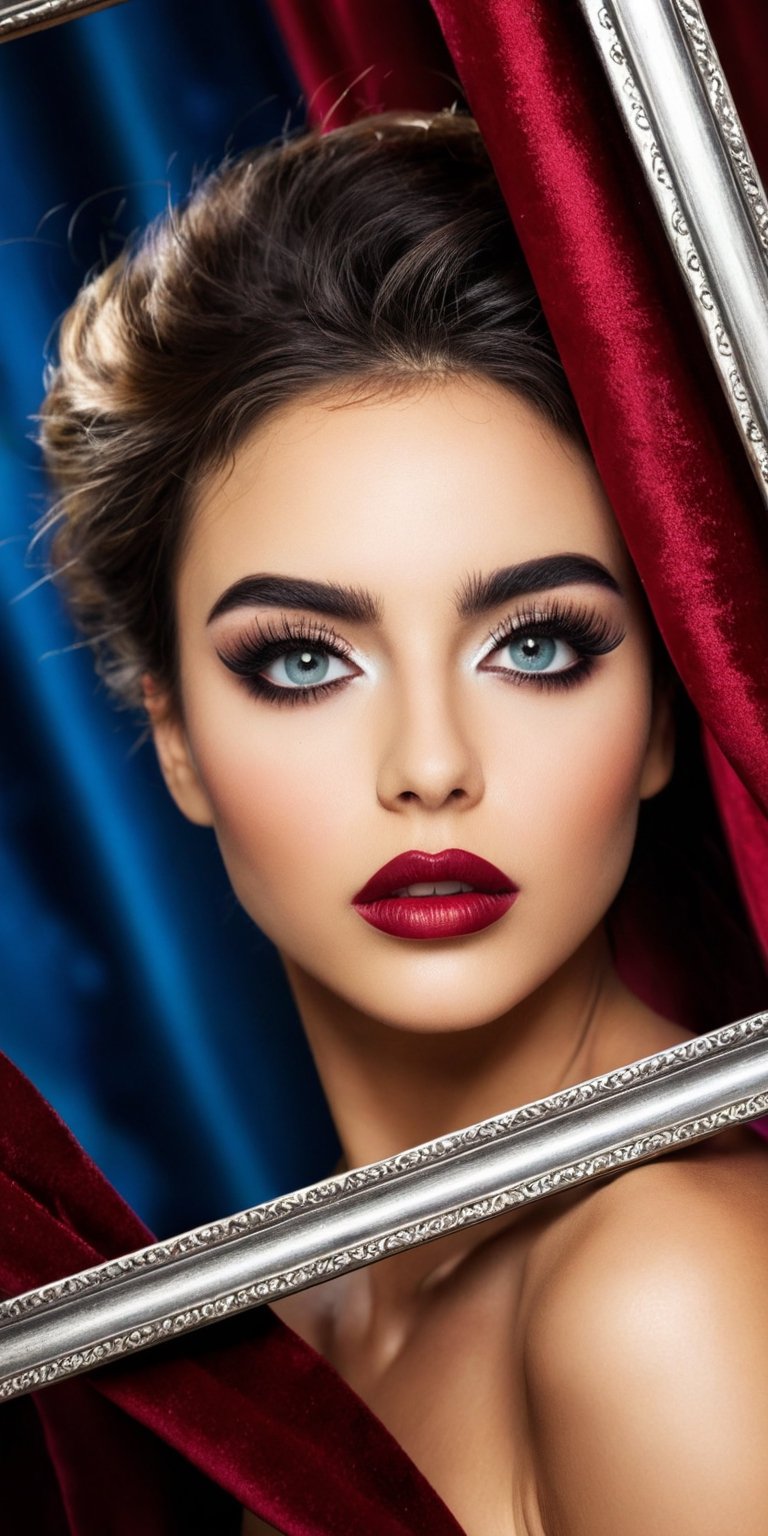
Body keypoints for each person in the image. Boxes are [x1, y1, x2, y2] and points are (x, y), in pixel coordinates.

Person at [29, 110, 768, 1534]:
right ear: (177, 736)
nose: (430, 766)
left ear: (666, 711)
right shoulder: (306, 1327)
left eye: (539, 644)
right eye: (303, 658)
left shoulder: (665, 1292)